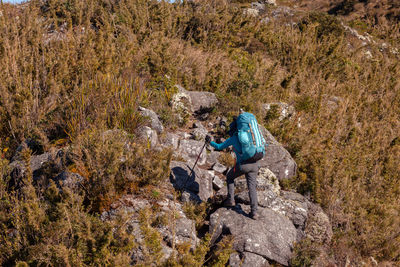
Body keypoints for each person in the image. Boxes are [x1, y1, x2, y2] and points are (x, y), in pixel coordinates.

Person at [206, 117, 261, 220]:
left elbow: (219, 147)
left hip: (243, 165)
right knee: (252, 188)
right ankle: (254, 213)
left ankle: (230, 200)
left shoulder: (235, 138)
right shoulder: (251, 136)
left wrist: (210, 142)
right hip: (255, 164)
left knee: (230, 177)